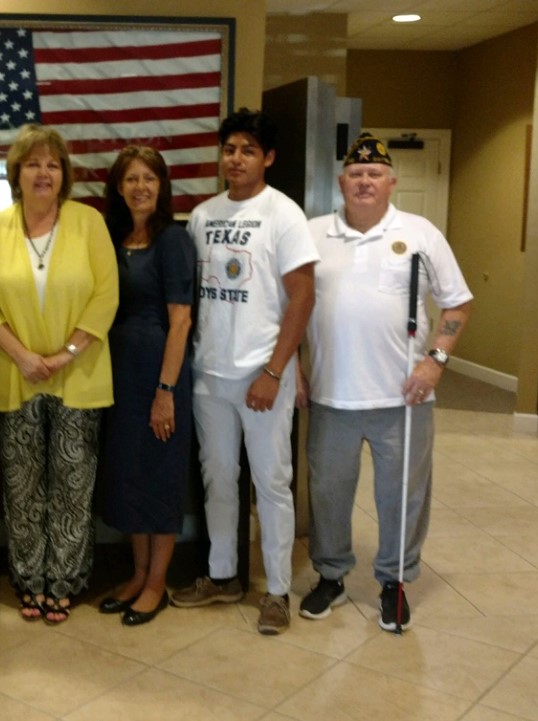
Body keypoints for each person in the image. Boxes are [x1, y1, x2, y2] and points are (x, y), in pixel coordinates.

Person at [300, 133, 472, 632]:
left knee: (403, 496)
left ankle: (394, 583)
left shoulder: (421, 233)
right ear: (341, 182)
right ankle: (331, 575)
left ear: (391, 181)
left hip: (404, 396)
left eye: (374, 174)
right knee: (329, 492)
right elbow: (287, 304)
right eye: (356, 174)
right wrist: (291, 367)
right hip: (331, 394)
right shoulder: (312, 234)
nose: (365, 181)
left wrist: (435, 360)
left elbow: (457, 302)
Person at [170, 108, 318, 636]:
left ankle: (276, 589)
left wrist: (276, 371)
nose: (236, 159)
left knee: (272, 483)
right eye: (229, 149)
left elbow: (303, 297)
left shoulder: (285, 215)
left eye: (248, 150)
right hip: (210, 374)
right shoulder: (203, 216)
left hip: (262, 376)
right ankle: (223, 575)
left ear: (268, 158)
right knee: (218, 481)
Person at [0, 124, 118, 625]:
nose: (43, 172)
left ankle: (67, 580)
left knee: (73, 486)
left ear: (64, 175)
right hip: (16, 376)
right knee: (23, 485)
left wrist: (64, 354)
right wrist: (24, 356)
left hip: (79, 377)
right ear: (16, 172)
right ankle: (30, 580)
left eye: (52, 164)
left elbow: (106, 295)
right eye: (33, 163)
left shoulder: (88, 223)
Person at [97, 146, 195, 627]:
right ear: (118, 187)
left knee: (159, 476)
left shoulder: (173, 241)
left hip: (160, 371)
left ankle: (157, 583)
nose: (141, 187)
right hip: (119, 375)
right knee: (130, 475)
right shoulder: (113, 239)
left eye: (149, 179)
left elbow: (181, 322)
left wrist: (166, 392)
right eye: (131, 179)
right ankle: (137, 574)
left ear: (162, 186)